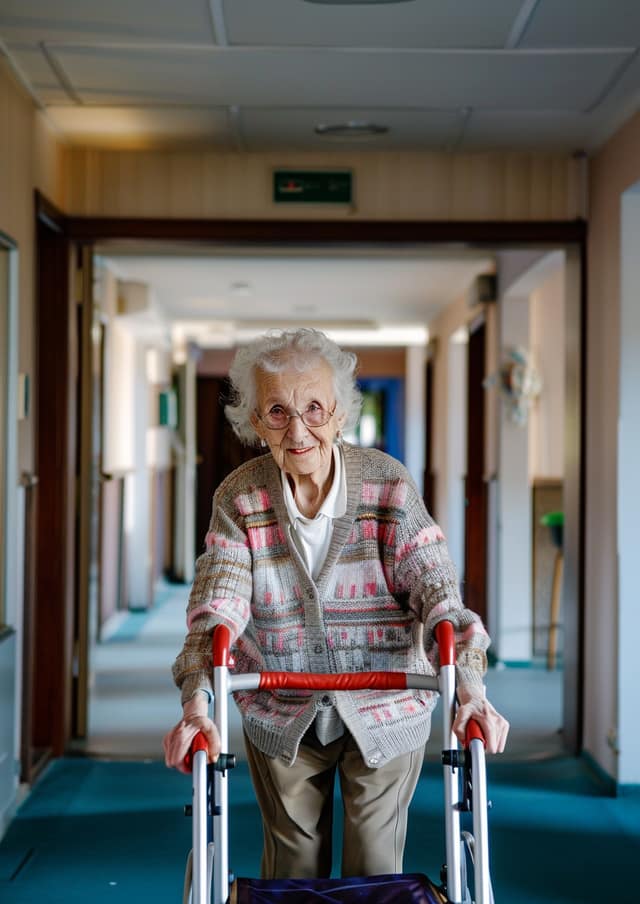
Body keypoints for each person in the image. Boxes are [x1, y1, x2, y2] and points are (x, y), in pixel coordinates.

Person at [163, 328, 509, 880]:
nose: (298, 429)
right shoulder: (240, 496)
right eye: (278, 411)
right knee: (292, 872)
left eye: (314, 409)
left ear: (341, 414)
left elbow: (439, 595)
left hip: (387, 702)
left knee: (374, 868)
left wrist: (470, 689)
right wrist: (197, 705)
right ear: (255, 423)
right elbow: (216, 610)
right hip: (281, 704)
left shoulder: (388, 486)